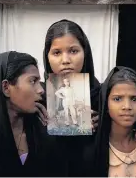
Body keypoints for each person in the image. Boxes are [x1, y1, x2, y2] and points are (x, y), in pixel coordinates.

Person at [36, 19, 101, 176]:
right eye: (57, 52)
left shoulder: (102, 95)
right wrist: (39, 126)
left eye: (73, 51)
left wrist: (103, 125)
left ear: (85, 53)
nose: (65, 60)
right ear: (47, 56)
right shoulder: (37, 96)